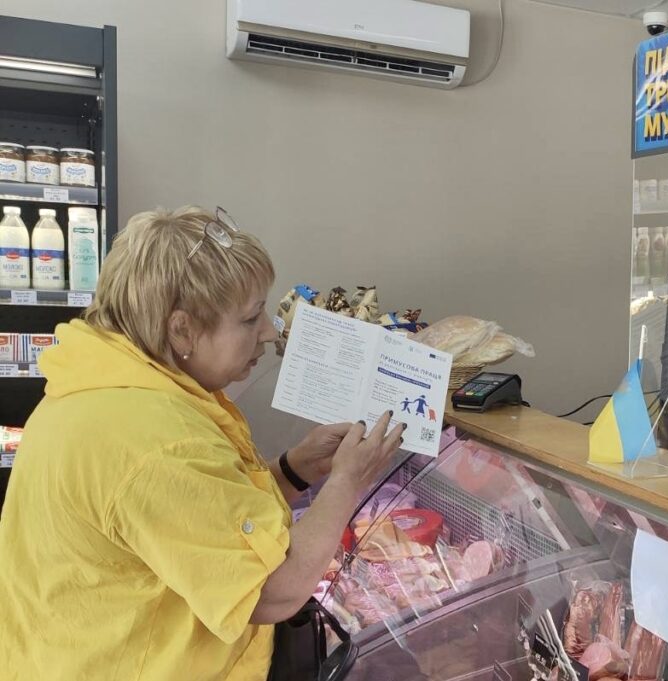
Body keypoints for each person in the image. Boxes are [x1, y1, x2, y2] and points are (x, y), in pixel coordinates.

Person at [0, 206, 405, 680]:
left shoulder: (108, 389)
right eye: (250, 318)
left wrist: (294, 470)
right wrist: (347, 481)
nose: (268, 332)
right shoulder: (152, 440)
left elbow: (197, 518)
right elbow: (271, 591)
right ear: (182, 330)